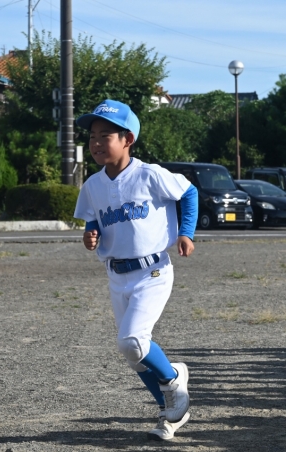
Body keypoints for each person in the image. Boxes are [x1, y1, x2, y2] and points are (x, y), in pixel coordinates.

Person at [73, 99, 198, 441]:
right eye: (92, 136)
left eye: (105, 135)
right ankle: (169, 412)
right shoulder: (92, 185)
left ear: (127, 139)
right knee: (133, 355)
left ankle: (174, 380)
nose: (96, 142)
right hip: (117, 274)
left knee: (132, 341)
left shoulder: (149, 174)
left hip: (152, 271)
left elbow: (189, 192)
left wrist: (186, 233)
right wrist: (90, 233)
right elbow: (92, 219)